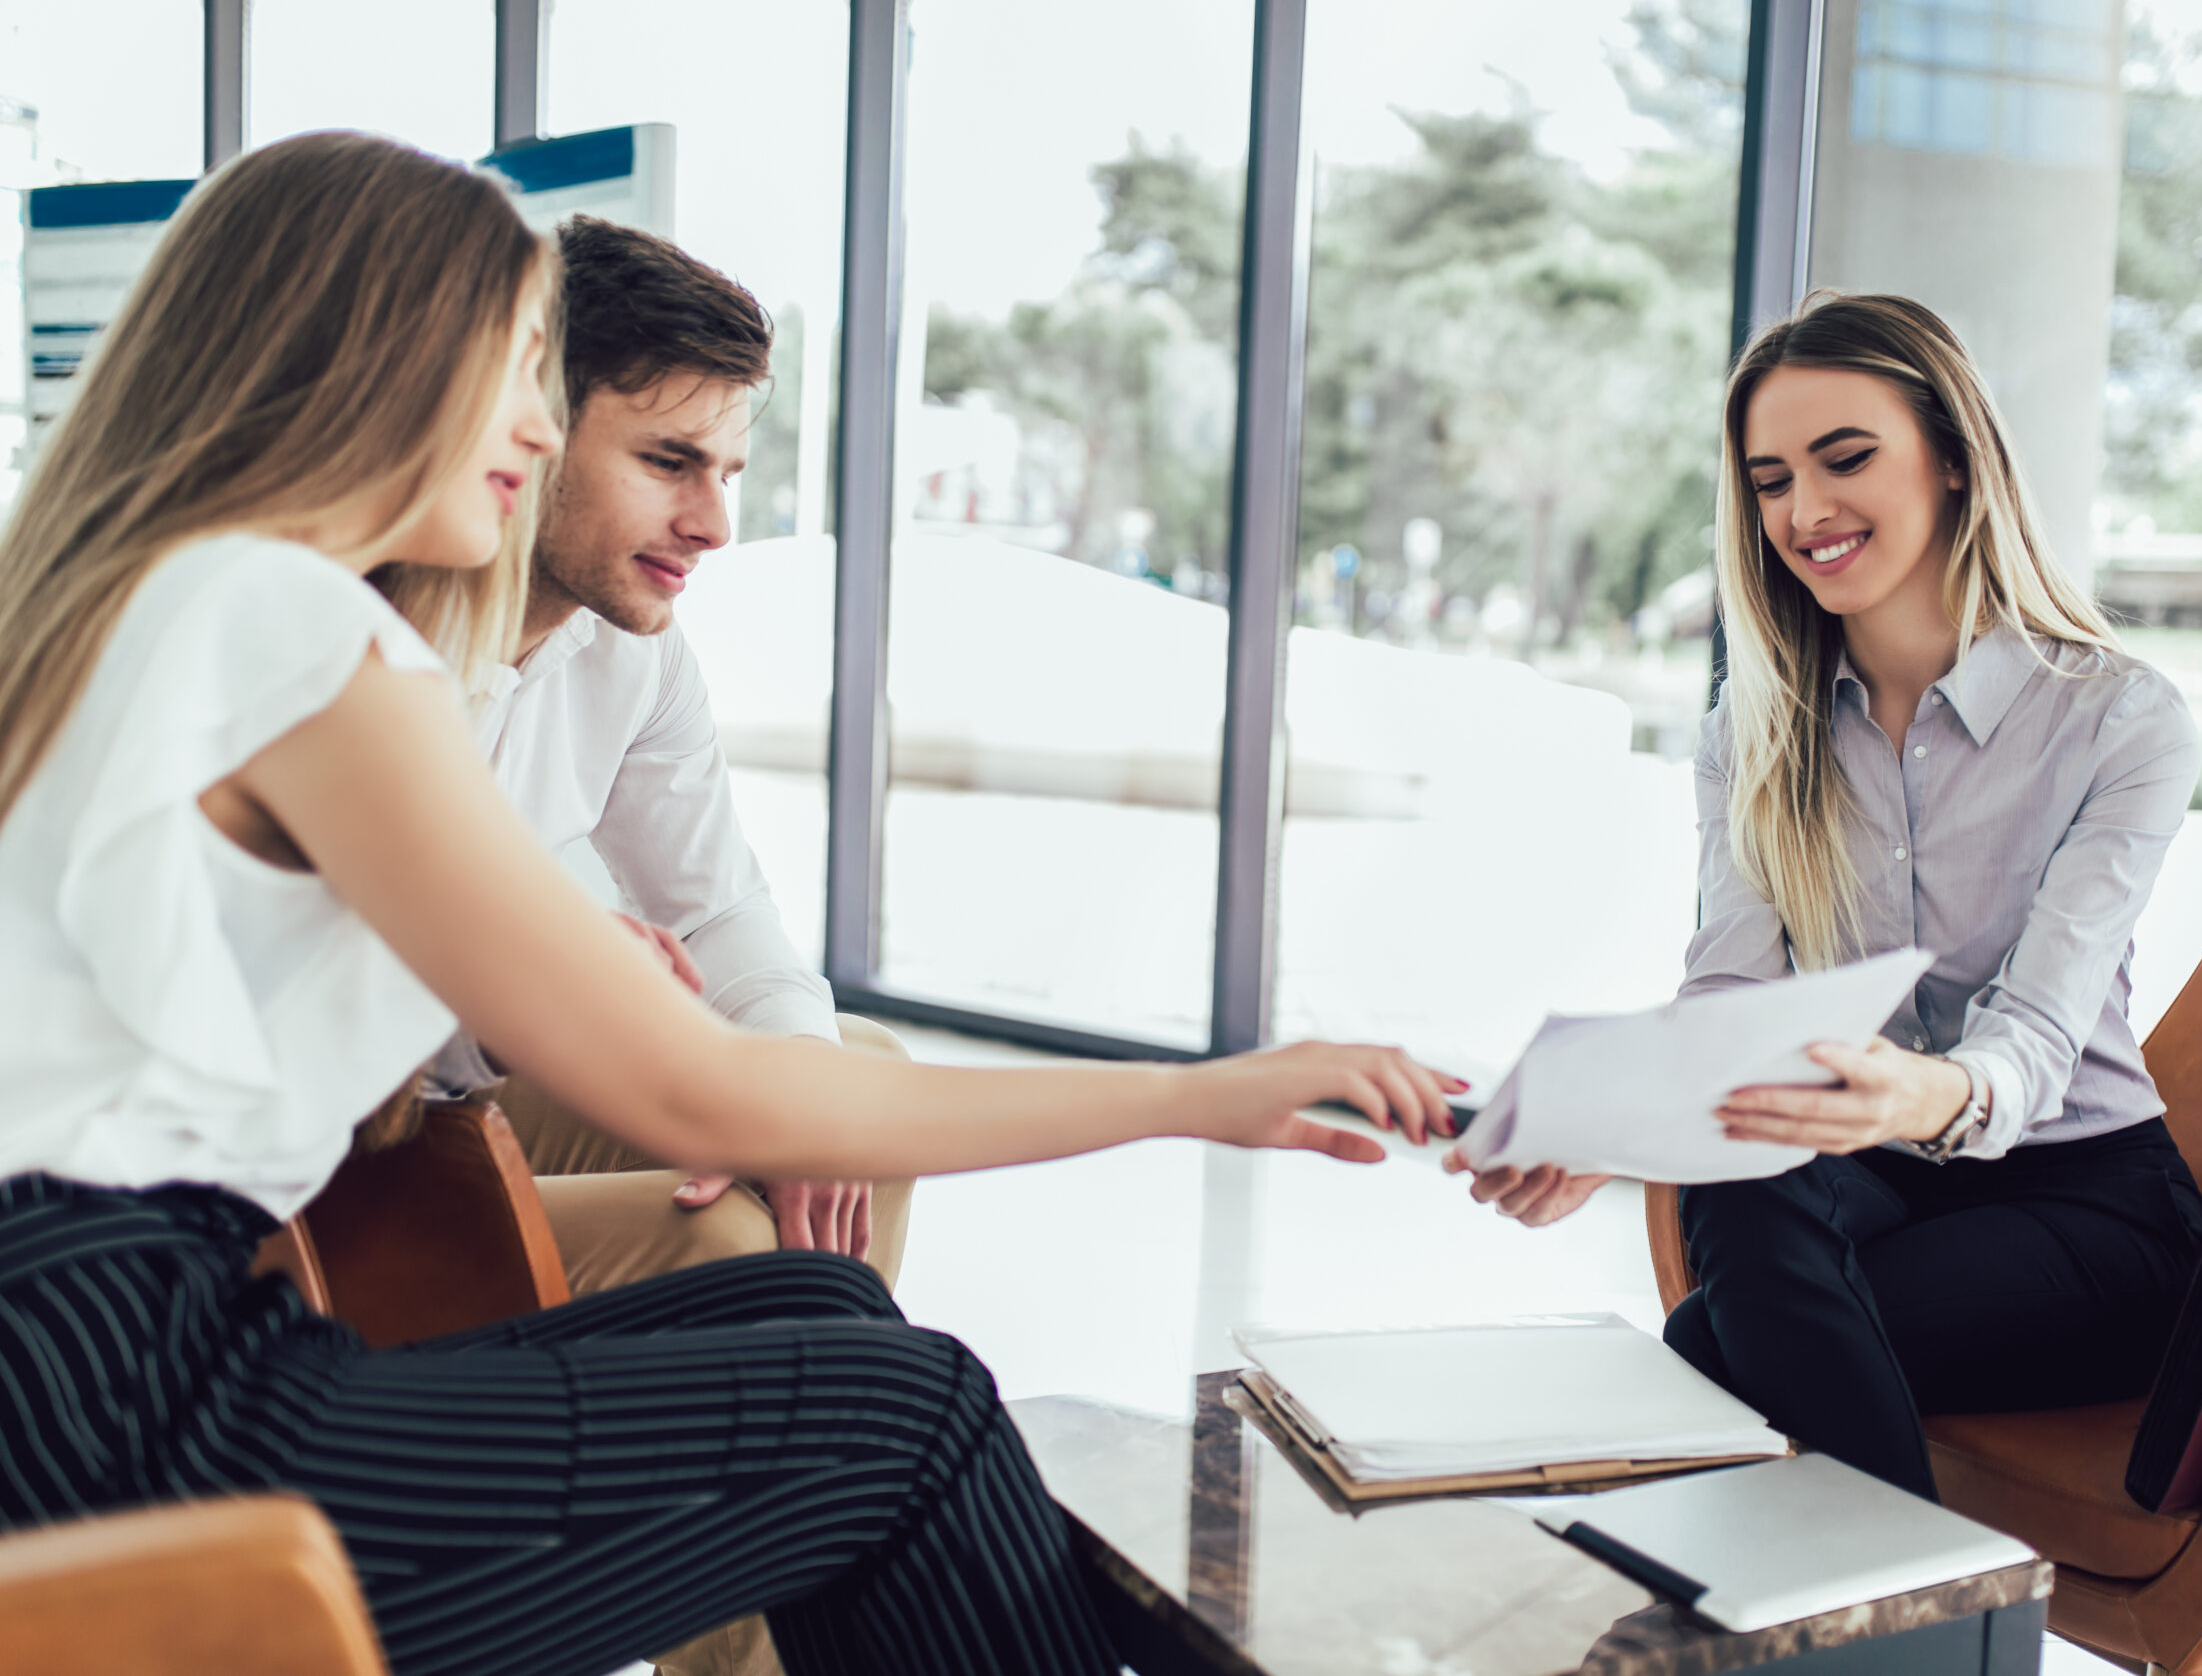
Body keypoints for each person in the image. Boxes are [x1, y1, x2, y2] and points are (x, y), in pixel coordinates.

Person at [0, 131, 1454, 1676]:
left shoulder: (149, 603)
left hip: (79, 1374)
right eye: (514, 371)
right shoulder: (293, 624)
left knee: (819, 1306)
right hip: (130, 1416)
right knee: (915, 1420)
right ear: (372, 357)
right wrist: (1200, 1088)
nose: (534, 428)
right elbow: (696, 1083)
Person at [1451, 292, 2202, 1501]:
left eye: (1844, 458)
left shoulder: (2120, 719)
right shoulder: (1752, 737)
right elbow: (1730, 1002)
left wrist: (1924, 1090)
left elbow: (2040, 1036)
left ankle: (1867, 1627)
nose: (1804, 512)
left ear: (1953, 462)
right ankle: (1907, 1629)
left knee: (1712, 1347)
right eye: (1768, 480)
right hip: (1870, 1176)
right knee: (1738, 1160)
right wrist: (1615, 1123)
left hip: (2090, 1206)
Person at [424, 215, 908, 1313]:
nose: (715, 524)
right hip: (340, 1147)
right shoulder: (376, 641)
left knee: (854, 1085)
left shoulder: (631, 653)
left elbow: (717, 911)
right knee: (729, 1246)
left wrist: (791, 1079)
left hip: (457, 1089)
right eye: (667, 462)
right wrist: (552, 974)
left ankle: (826, 1437)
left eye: (728, 471)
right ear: (528, 429)